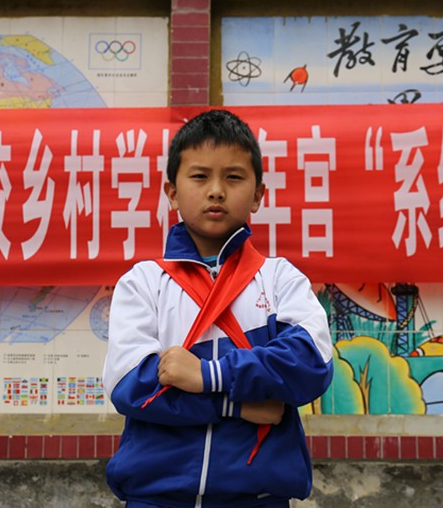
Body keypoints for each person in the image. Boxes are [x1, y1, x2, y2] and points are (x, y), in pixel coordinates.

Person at [103, 109, 334, 507]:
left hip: (259, 499)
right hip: (156, 499)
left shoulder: (280, 279)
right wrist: (235, 403)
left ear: (258, 194)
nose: (216, 191)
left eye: (233, 177)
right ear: (171, 191)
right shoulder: (143, 283)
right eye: (199, 176)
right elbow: (131, 386)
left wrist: (208, 374)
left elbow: (309, 365)